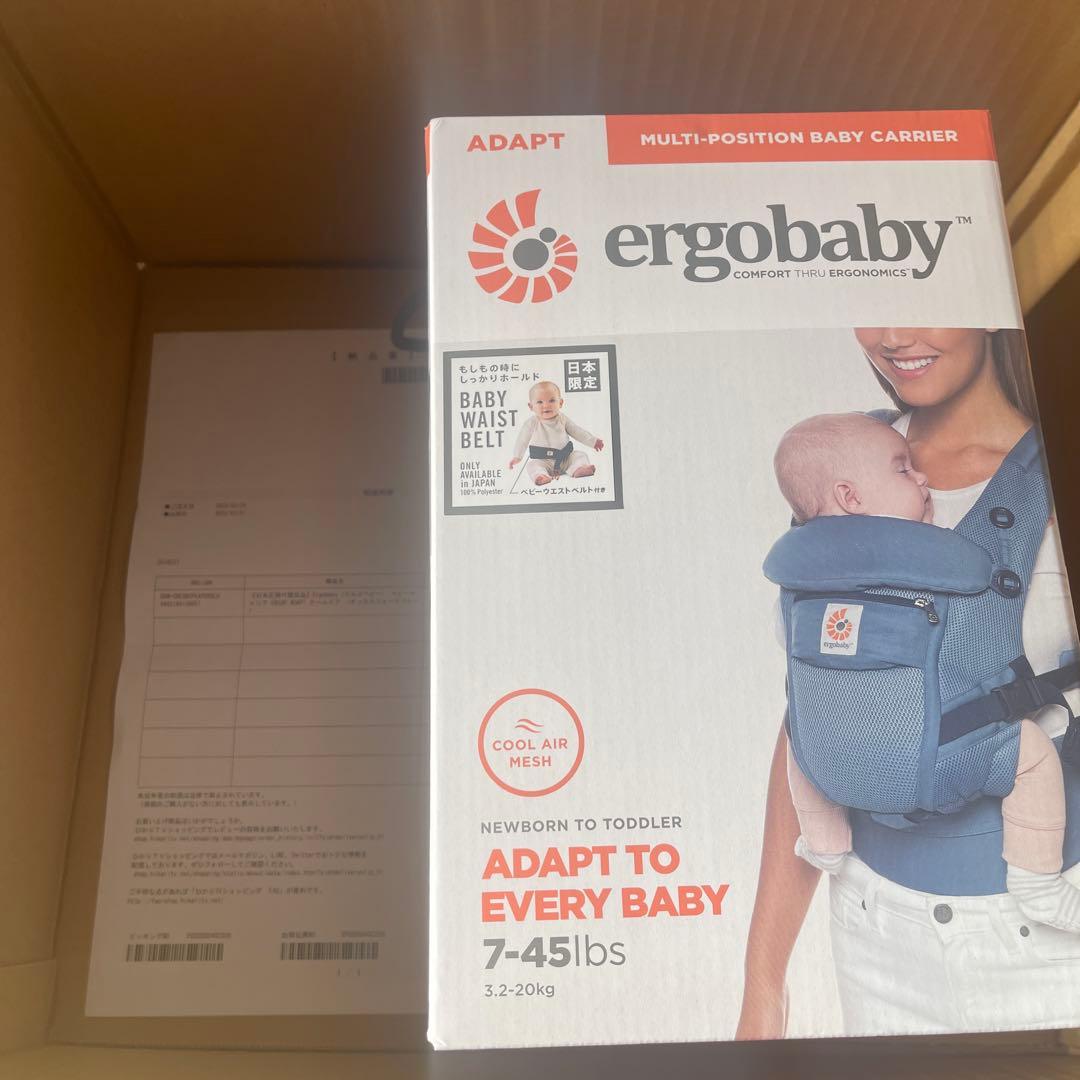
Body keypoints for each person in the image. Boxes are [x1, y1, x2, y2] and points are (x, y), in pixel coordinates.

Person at [737, 327, 1080, 1039]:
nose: (895, 335)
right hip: (873, 935)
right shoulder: (842, 464)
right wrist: (764, 985)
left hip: (1051, 943)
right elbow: (818, 719)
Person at [772, 411, 1080, 932]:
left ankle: (823, 840)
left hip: (832, 767)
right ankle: (1037, 882)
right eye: (902, 469)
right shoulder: (944, 560)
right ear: (850, 497)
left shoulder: (801, 574)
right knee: (1030, 753)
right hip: (941, 762)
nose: (922, 478)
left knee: (798, 727)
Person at [508, 380, 604, 485]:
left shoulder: (562, 419)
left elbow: (577, 431)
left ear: (560, 403)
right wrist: (517, 456)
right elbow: (522, 440)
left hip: (566, 458)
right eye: (540, 402)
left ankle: (578, 469)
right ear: (531, 406)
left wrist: (593, 441)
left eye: (552, 400)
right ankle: (541, 475)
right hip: (544, 461)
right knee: (532, 465)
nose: (546, 405)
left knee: (580, 455)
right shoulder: (532, 423)